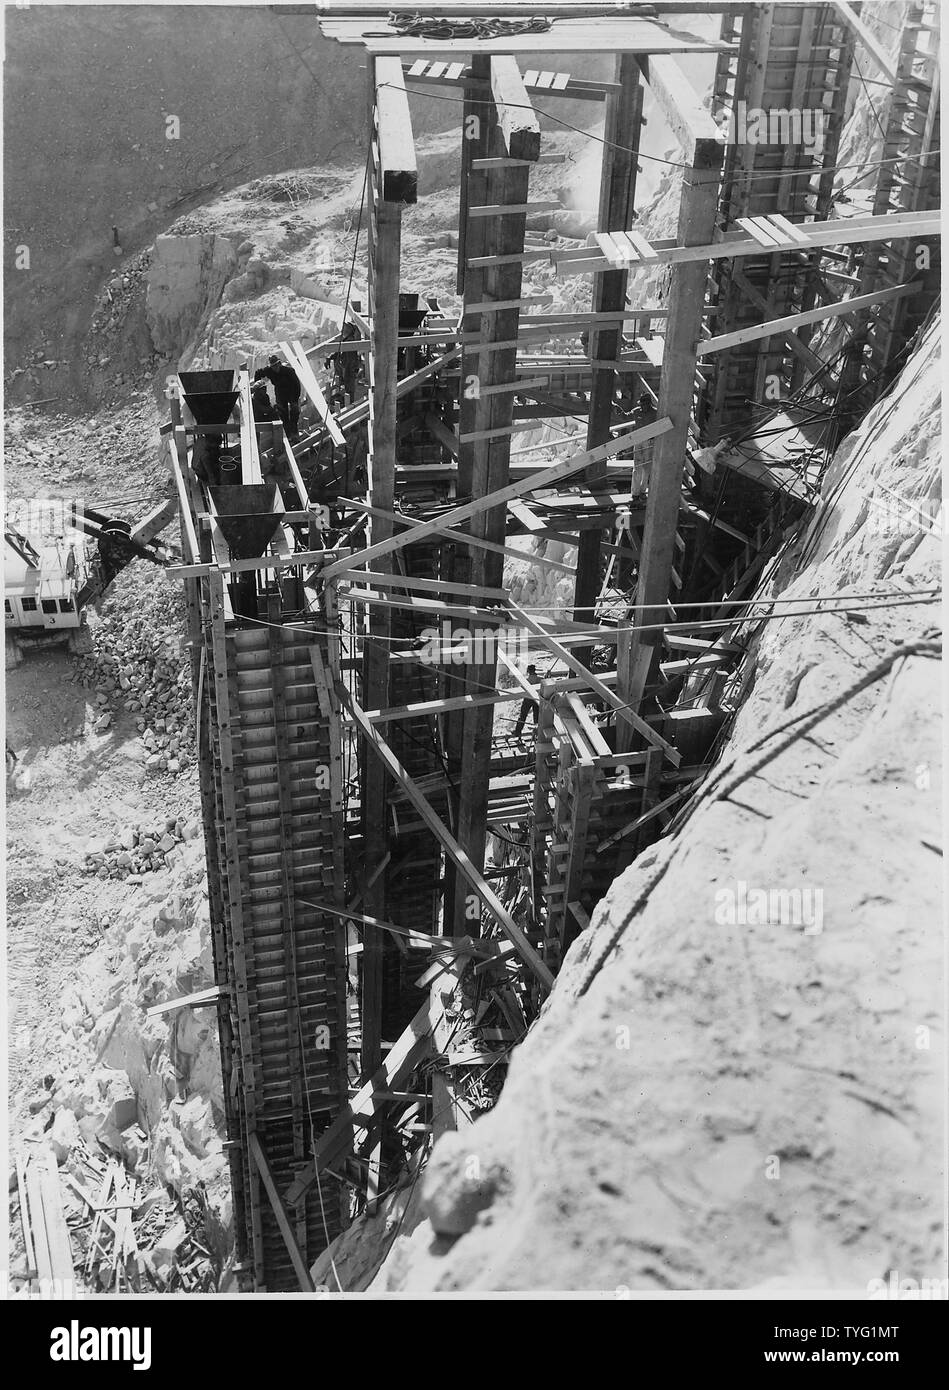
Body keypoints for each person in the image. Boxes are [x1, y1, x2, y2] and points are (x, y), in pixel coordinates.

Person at [254, 355, 302, 439]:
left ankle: (294, 432)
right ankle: (288, 435)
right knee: (283, 413)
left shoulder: (289, 371)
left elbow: (297, 386)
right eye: (273, 366)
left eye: (276, 365)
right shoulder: (269, 371)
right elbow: (258, 373)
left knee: (295, 411)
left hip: (291, 392)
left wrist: (294, 400)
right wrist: (257, 387)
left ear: (279, 364)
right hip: (280, 393)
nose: (275, 368)